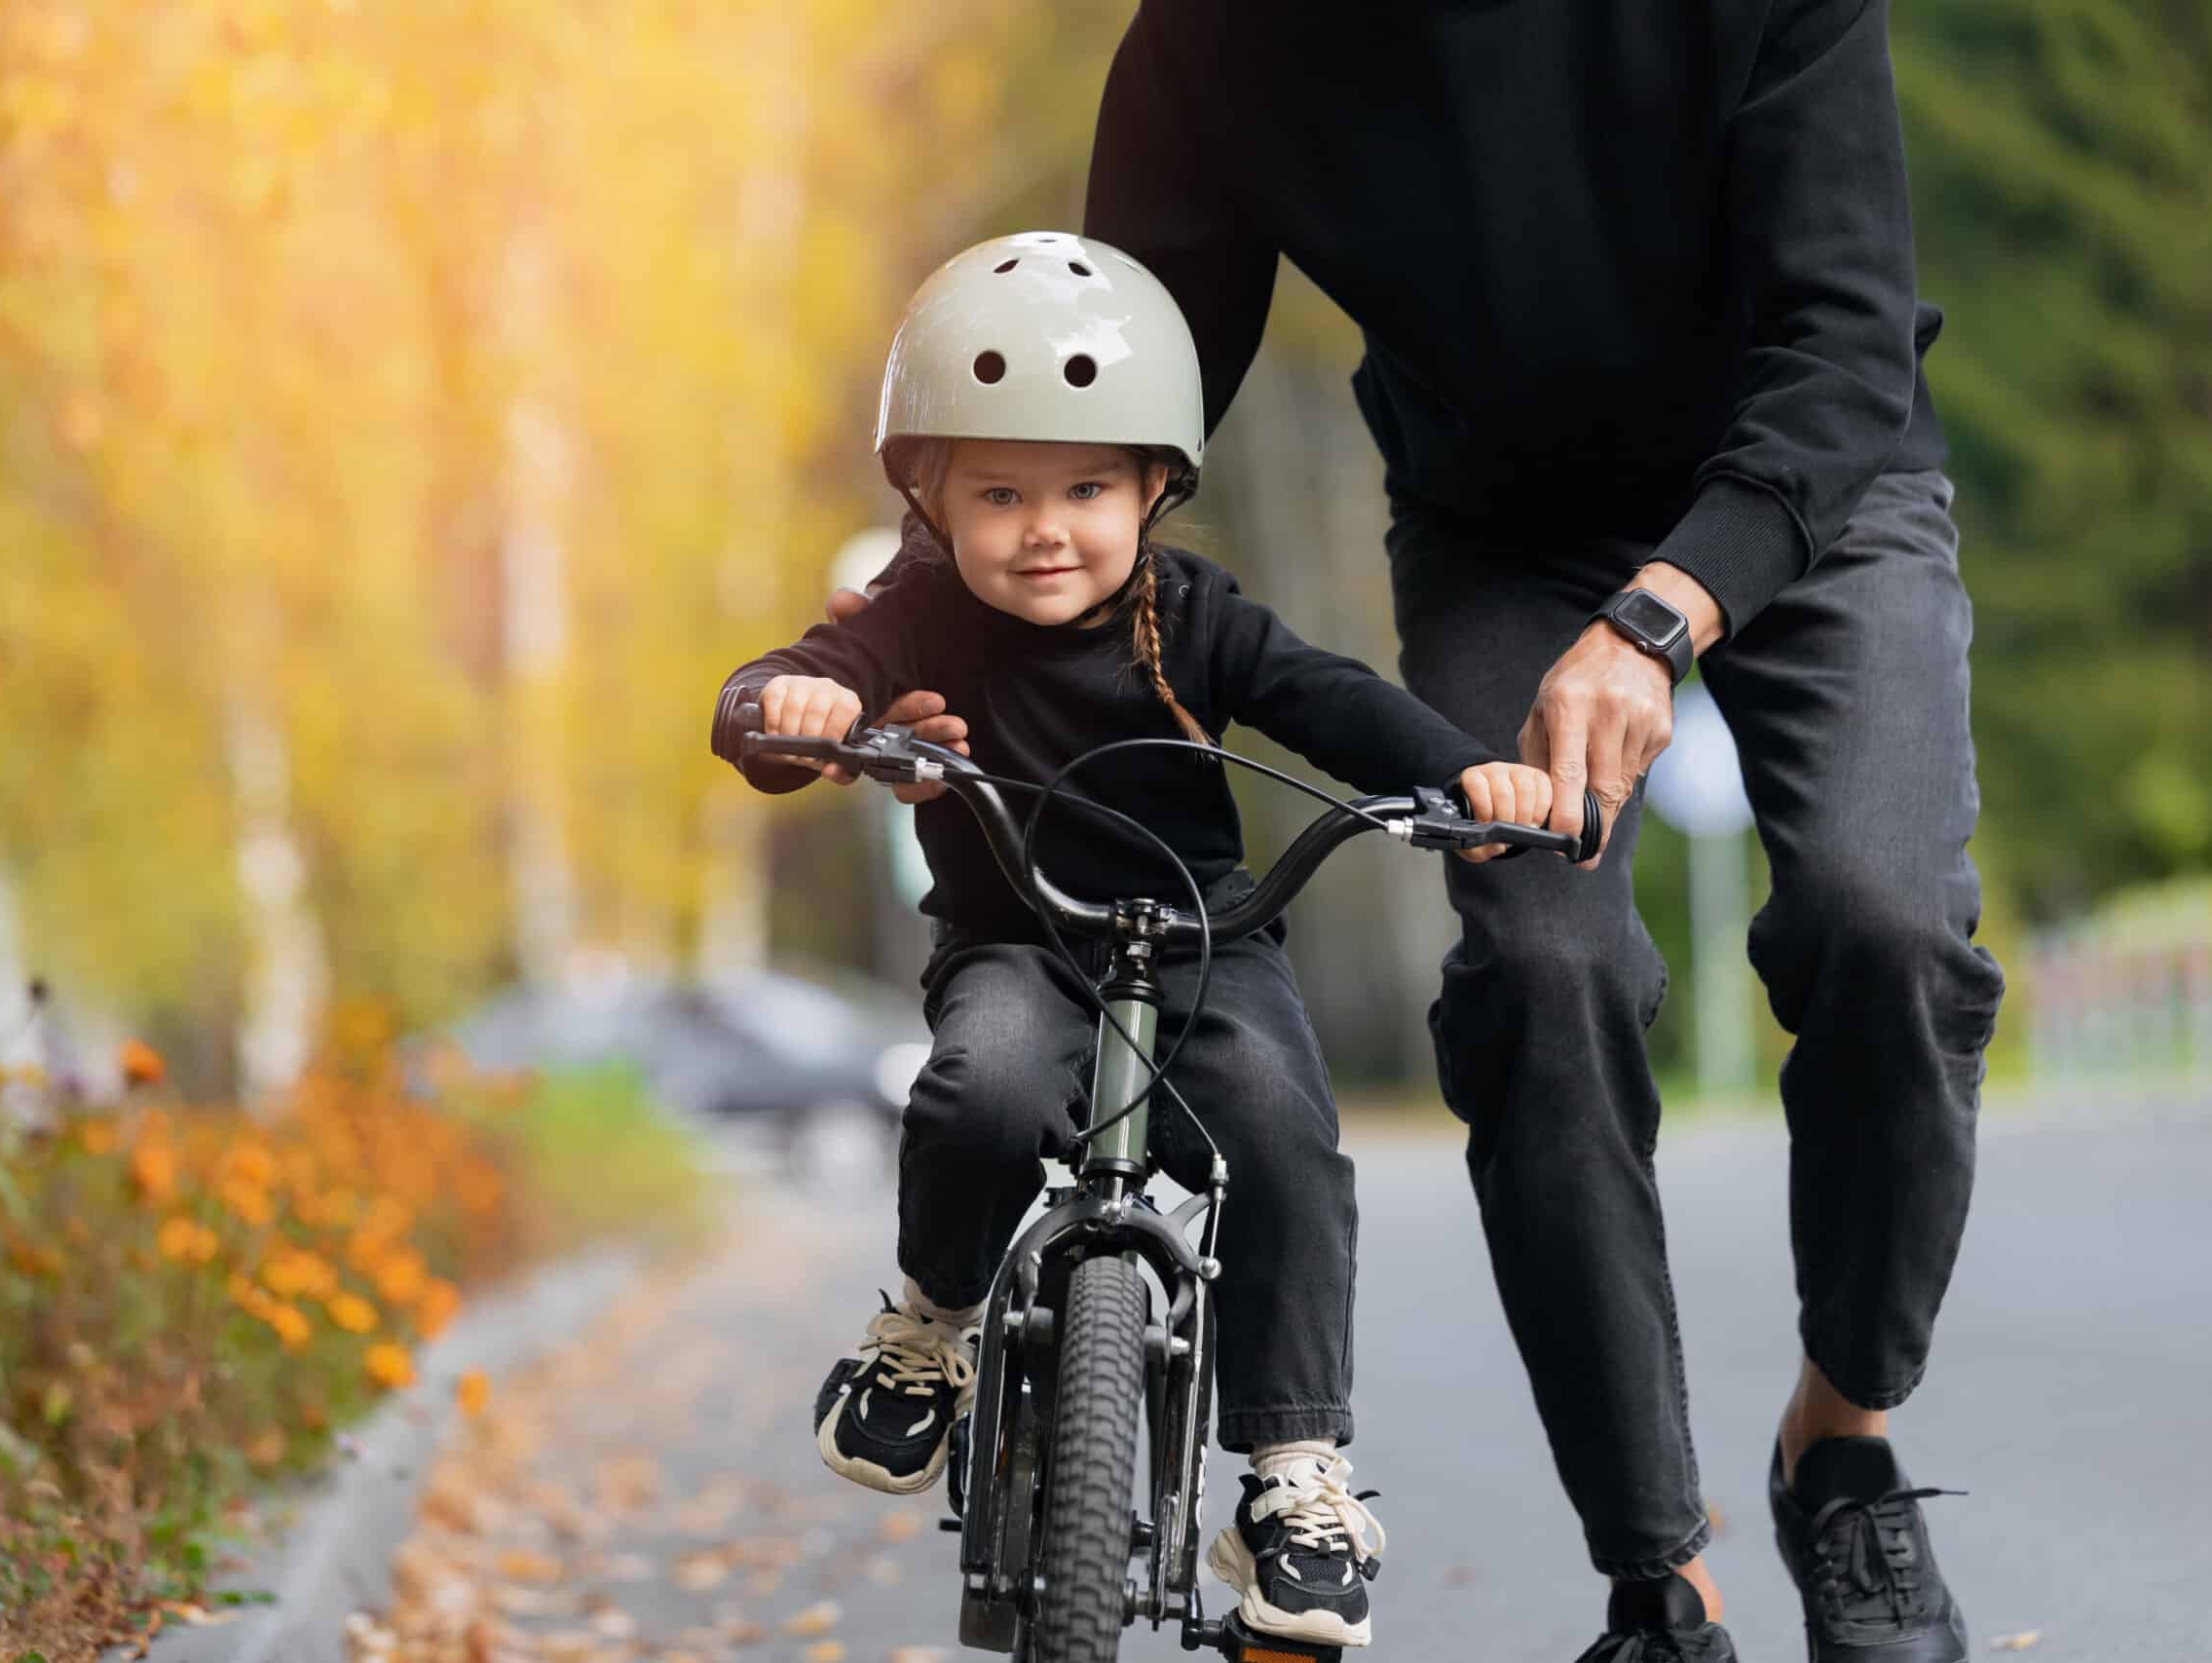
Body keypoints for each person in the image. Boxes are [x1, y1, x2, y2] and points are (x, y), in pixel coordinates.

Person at [836, 8, 2007, 1661]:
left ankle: (1845, 1440)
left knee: (1884, 928)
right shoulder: (1217, 42)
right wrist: (908, 651)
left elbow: (1845, 341)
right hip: (1509, 535)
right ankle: (1657, 1582)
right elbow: (1085, 379)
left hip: (1816, 486)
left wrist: (1668, 616)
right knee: (1543, 967)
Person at [711, 231, 1568, 1648]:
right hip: (1017, 945)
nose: (1047, 528)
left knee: (1286, 1132)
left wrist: (1472, 772)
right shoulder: (921, 616)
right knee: (977, 1089)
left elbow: (1328, 699)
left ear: (1156, 485)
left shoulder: (1196, 617)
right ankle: (930, 1327)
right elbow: (804, 679)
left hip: (1208, 945)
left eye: (1088, 489)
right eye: (1000, 492)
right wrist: (782, 709)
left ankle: (1295, 1476)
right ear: (927, 493)